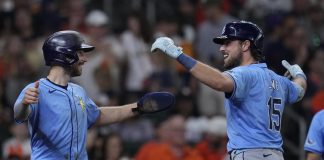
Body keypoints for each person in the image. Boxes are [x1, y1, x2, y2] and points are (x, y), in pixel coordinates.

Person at [151, 20, 307, 160]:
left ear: (246, 45)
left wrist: (179, 55)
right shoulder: (278, 79)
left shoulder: (244, 73)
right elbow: (299, 91)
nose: (221, 48)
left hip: (250, 154)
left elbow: (220, 82)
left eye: (228, 43)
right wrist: (299, 74)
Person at [13, 30, 175, 160]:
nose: (84, 59)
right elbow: (19, 114)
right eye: (80, 53)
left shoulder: (78, 91)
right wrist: (25, 104)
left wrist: (138, 107)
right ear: (66, 55)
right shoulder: (36, 89)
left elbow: (98, 116)